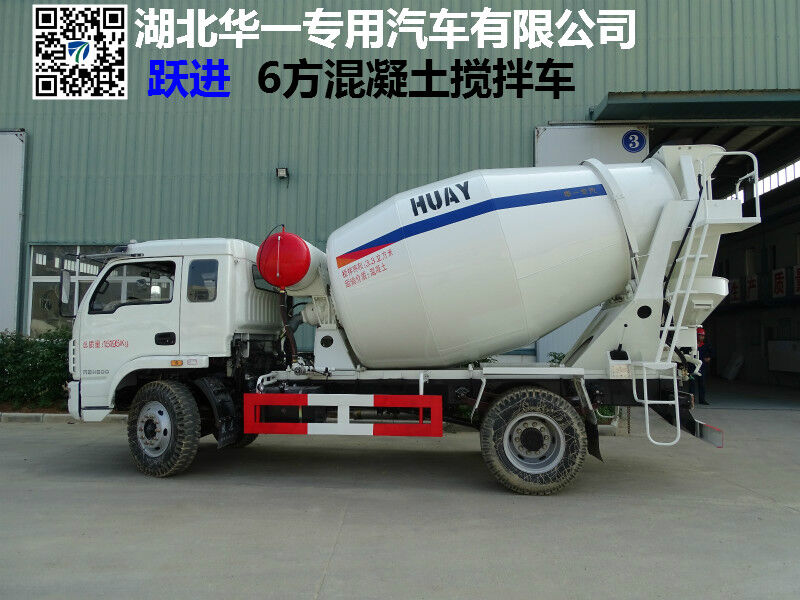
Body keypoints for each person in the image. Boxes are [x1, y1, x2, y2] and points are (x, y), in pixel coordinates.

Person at [695, 327, 713, 405]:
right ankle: (691, 400)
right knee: (692, 383)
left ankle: (702, 399)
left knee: (702, 383)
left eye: (703, 336)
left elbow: (711, 353)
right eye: (700, 335)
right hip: (693, 366)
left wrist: (709, 358)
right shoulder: (692, 345)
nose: (702, 337)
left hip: (702, 367)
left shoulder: (706, 345)